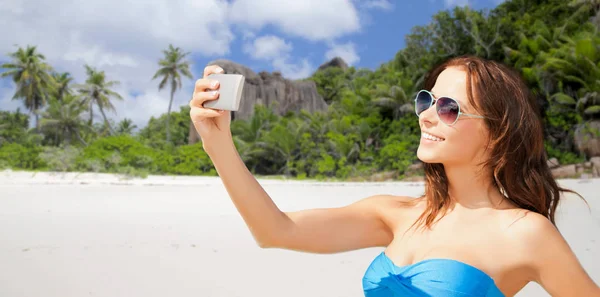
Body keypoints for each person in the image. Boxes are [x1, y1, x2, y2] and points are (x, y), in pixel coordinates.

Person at [189, 55, 600, 297]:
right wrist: (217, 143)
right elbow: (275, 231)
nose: (424, 114)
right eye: (427, 99)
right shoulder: (396, 213)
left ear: (497, 134)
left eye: (448, 108)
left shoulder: (525, 232)